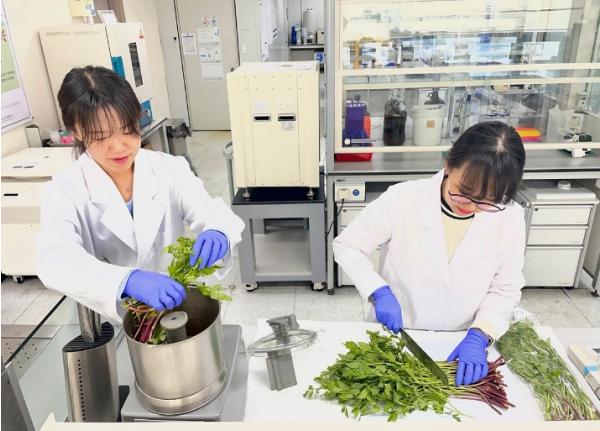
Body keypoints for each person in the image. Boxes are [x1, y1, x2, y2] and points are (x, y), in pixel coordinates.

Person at [36, 66, 244, 322]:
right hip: (114, 317)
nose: (119, 147)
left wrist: (218, 231)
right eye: (101, 136)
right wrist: (127, 280)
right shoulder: (65, 190)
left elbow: (209, 210)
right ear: (76, 132)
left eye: (127, 130)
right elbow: (54, 259)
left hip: (175, 304)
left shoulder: (168, 168)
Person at [333, 121, 526, 386]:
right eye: (464, 193)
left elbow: (505, 288)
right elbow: (348, 245)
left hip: (461, 340)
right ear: (448, 165)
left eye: (487, 200)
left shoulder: (510, 217)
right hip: (400, 331)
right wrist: (378, 291)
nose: (471, 206)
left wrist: (480, 335)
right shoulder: (403, 198)